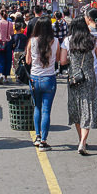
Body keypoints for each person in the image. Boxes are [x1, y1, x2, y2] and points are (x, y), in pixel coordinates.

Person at [60, 16, 97, 155]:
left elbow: (62, 61)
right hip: (89, 78)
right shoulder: (93, 40)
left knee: (77, 109)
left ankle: (81, 140)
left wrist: (73, 61)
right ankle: (82, 141)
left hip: (74, 78)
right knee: (87, 109)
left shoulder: (67, 40)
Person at [26, 18, 62, 151]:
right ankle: (43, 141)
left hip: (35, 78)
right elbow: (58, 59)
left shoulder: (32, 41)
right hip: (49, 78)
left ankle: (37, 136)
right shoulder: (56, 41)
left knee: (37, 108)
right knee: (46, 110)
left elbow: (28, 61)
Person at [0, 10, 15, 84]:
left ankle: (0, 74)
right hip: (8, 43)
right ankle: (5, 77)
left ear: (0, 15)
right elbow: (12, 34)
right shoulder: (10, 23)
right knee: (7, 60)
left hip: (0, 43)